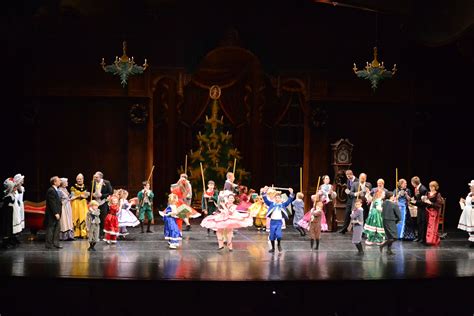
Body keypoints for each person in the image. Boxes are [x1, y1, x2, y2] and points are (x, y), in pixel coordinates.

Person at [262, 186, 295, 253]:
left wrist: (291, 193)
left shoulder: (283, 204)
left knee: (279, 235)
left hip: (279, 222)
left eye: (278, 197)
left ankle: (279, 245)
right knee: (272, 235)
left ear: (280, 198)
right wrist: (264, 192)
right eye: (276, 197)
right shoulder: (271, 204)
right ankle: (273, 248)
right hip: (272, 222)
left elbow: (289, 200)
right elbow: (265, 200)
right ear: (274, 198)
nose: (277, 199)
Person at [92, 172, 113, 239]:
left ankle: (102, 233)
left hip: (103, 202)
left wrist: (102, 195)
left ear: (101, 177)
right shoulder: (93, 182)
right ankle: (95, 233)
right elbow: (90, 191)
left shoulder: (106, 183)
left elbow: (110, 192)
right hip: (95, 203)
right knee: (95, 218)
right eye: (95, 177)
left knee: (103, 218)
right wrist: (92, 194)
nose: (95, 178)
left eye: (96, 177)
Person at [44, 176, 63, 249]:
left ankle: (56, 243)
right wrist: (56, 213)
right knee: (50, 229)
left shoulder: (56, 190)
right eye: (58, 180)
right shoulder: (51, 190)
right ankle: (49, 244)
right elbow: (52, 203)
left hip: (57, 213)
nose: (60, 182)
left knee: (57, 229)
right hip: (52, 214)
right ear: (54, 182)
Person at [423, 181, 443, 246]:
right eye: (430, 186)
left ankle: (431, 240)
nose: (431, 188)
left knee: (432, 226)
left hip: (433, 212)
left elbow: (439, 205)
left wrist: (431, 203)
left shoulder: (437, 194)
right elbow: (424, 201)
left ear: (435, 187)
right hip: (427, 211)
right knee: (427, 225)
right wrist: (424, 199)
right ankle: (427, 239)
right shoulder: (427, 193)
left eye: (432, 187)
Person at [70, 173, 89, 239]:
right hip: (76, 204)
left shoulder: (86, 187)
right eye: (78, 179)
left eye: (80, 179)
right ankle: (76, 233)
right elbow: (71, 197)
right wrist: (79, 196)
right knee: (76, 218)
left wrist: (85, 196)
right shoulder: (73, 187)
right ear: (76, 179)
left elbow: (87, 196)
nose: (79, 180)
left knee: (84, 218)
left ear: (83, 179)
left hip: (83, 204)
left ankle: (84, 233)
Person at [410, 176, 428, 243]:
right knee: (419, 223)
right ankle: (419, 237)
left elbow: (424, 201)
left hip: (423, 209)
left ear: (414, 183)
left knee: (423, 223)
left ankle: (423, 238)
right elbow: (417, 198)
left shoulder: (423, 189)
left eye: (412, 183)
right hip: (419, 208)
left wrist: (415, 202)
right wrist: (413, 200)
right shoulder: (417, 188)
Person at [339, 169, 357, 234]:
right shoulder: (348, 180)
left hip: (355, 199)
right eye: (347, 176)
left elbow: (356, 190)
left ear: (352, 174)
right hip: (349, 199)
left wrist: (350, 192)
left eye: (349, 176)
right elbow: (348, 189)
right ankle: (344, 229)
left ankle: (355, 229)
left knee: (355, 214)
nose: (348, 177)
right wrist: (347, 191)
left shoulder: (357, 180)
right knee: (347, 214)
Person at [458, 180, 474, 247]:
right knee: (469, 227)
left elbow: (472, 204)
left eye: (471, 186)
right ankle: (472, 241)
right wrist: (463, 201)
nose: (470, 188)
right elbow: (468, 202)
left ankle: (473, 241)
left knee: (473, 226)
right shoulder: (470, 194)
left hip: (472, 212)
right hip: (467, 212)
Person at [1, 178, 16, 249]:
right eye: (13, 187)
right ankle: (5, 243)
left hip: (10, 211)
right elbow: (4, 205)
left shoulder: (10, 195)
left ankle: (8, 241)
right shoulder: (7, 196)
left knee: (9, 225)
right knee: (6, 226)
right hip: (6, 212)